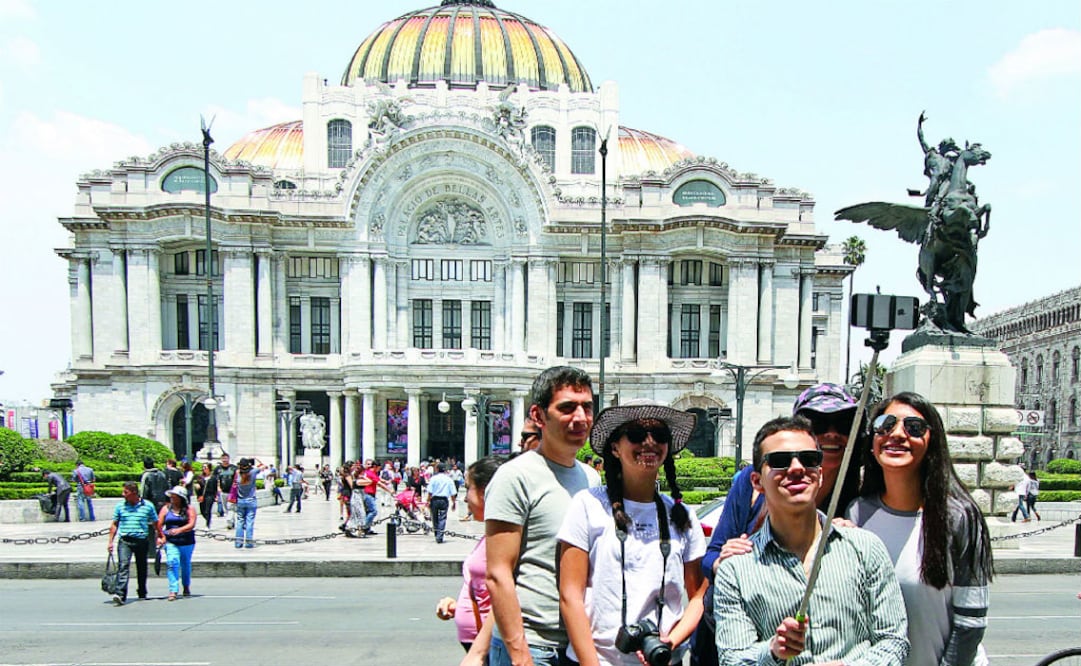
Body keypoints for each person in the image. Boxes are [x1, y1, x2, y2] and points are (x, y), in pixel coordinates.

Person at [714, 416, 909, 666]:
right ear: (757, 481)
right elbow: (732, 660)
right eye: (780, 461)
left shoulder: (865, 548)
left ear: (820, 475)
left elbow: (894, 640)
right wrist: (772, 652)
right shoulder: (735, 570)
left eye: (809, 459)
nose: (796, 468)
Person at [694, 382, 864, 666]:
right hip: (737, 637)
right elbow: (710, 557)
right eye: (818, 424)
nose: (832, 434)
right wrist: (727, 564)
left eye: (844, 424)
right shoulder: (754, 482)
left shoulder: (860, 495)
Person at [847, 392, 993, 666]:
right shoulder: (856, 513)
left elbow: (970, 624)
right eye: (885, 424)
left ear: (932, 443)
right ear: (872, 440)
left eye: (914, 428)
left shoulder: (960, 516)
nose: (897, 434)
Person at [559, 399, 707, 665]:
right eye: (637, 435)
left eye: (659, 435)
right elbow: (570, 595)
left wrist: (671, 641)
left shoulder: (683, 516)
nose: (649, 443)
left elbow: (698, 596)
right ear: (615, 448)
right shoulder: (588, 504)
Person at [484, 365, 602, 666]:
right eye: (567, 408)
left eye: (586, 407)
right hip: (533, 646)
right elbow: (498, 574)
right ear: (538, 416)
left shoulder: (591, 478)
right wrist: (521, 656)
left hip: (578, 644)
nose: (580, 418)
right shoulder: (515, 476)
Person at [436, 455, 505, 663]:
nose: (465, 498)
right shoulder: (491, 534)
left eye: (468, 488)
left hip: (490, 645)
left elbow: (507, 597)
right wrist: (458, 607)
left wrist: (479, 651)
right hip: (480, 640)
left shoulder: (504, 538)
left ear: (486, 492)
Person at [107, 481, 165, 605]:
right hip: (125, 541)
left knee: (142, 567)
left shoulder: (148, 506)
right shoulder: (120, 506)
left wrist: (160, 536)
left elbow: (156, 523)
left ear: (134, 493)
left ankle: (142, 591)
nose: (123, 495)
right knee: (123, 566)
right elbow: (114, 524)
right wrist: (110, 542)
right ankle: (120, 594)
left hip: (141, 540)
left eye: (125, 492)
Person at [157, 485, 197, 600]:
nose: (172, 498)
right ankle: (173, 590)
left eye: (175, 496)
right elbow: (159, 523)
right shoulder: (166, 509)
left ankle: (186, 586)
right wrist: (160, 536)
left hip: (187, 540)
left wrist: (179, 530)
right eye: (171, 496)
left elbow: (191, 523)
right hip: (171, 541)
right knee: (172, 562)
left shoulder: (190, 509)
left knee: (185, 564)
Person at [229, 458, 259, 548]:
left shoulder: (238, 475)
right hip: (251, 500)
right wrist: (255, 459)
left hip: (240, 501)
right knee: (250, 522)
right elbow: (263, 466)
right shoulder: (253, 473)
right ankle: (249, 543)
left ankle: (238, 543)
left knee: (240, 521)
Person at [428, 462, 458, 543]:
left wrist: (428, 501)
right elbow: (452, 493)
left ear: (437, 469)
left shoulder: (433, 478)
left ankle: (437, 533)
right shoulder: (449, 479)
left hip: (435, 499)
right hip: (444, 500)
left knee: (435, 518)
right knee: (442, 518)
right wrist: (454, 502)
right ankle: (440, 535)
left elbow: (430, 492)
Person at [212, 453, 238, 528]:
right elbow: (214, 479)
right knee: (225, 508)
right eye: (223, 459)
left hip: (232, 492)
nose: (225, 460)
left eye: (226, 458)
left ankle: (229, 522)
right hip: (223, 492)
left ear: (229, 459)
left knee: (231, 507)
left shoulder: (234, 468)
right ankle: (231, 520)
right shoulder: (218, 469)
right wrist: (217, 488)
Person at [194, 463, 217, 528]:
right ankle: (208, 519)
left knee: (207, 510)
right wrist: (197, 486)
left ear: (209, 468)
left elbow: (215, 487)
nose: (204, 469)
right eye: (203, 467)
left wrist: (216, 496)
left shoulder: (213, 477)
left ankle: (207, 524)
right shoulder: (200, 477)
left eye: (205, 467)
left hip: (210, 495)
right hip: (202, 495)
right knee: (202, 511)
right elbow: (197, 484)